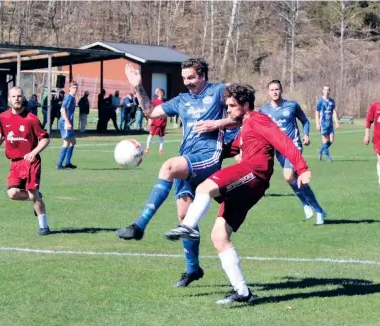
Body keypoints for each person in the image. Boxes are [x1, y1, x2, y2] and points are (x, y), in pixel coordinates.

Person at [164, 84, 312, 305]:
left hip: (254, 172)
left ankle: (189, 228)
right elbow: (231, 149)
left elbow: (284, 142)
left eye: (232, 106)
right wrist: (202, 153)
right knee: (219, 236)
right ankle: (243, 292)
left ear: (245, 105)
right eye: (227, 106)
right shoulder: (246, 125)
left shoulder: (259, 119)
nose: (229, 110)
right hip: (250, 185)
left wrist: (302, 168)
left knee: (205, 187)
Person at [116, 58, 232, 288]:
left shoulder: (220, 91)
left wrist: (217, 124)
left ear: (203, 75)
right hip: (187, 158)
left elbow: (244, 113)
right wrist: (138, 86)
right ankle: (193, 270)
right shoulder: (182, 100)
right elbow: (150, 112)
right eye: (184, 78)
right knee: (184, 218)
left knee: (168, 166)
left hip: (208, 155)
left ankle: (139, 226)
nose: (187, 83)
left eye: (191, 77)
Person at [259, 80, 326, 225]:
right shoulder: (264, 111)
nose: (275, 92)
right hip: (278, 149)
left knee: (288, 175)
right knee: (300, 181)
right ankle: (319, 210)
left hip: (293, 146)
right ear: (268, 92)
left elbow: (305, 121)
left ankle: (305, 204)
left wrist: (306, 134)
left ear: (281, 90)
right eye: (272, 89)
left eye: (277, 89)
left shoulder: (292, 106)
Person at [0, 86, 51, 235]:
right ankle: (35, 196)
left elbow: (45, 139)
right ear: (9, 99)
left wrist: (34, 152)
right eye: (14, 96)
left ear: (23, 98)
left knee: (32, 194)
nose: (17, 99)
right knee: (13, 193)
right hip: (15, 163)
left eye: (19, 96)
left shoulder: (32, 119)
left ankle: (44, 227)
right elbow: (2, 133)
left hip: (31, 162)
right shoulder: (3, 117)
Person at [56, 82, 78, 169]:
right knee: (66, 142)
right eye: (73, 87)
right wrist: (67, 122)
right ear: (69, 88)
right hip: (65, 122)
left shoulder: (72, 97)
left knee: (73, 142)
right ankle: (59, 164)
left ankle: (67, 163)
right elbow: (62, 110)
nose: (75, 89)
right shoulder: (68, 97)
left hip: (68, 122)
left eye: (76, 87)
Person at [315, 85, 340, 161]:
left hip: (330, 124)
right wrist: (317, 124)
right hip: (323, 124)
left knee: (331, 141)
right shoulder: (320, 101)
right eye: (325, 90)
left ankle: (320, 150)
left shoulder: (332, 101)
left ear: (329, 91)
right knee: (325, 141)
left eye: (328, 90)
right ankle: (328, 157)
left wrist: (336, 122)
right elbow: (317, 113)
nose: (327, 92)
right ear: (323, 91)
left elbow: (334, 112)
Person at [145, 88, 168, 155]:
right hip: (155, 121)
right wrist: (149, 119)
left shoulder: (165, 102)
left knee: (161, 136)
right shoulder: (154, 101)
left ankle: (160, 149)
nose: (161, 94)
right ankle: (147, 147)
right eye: (159, 93)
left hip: (163, 121)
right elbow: (150, 110)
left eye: (162, 93)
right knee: (151, 134)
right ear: (157, 94)